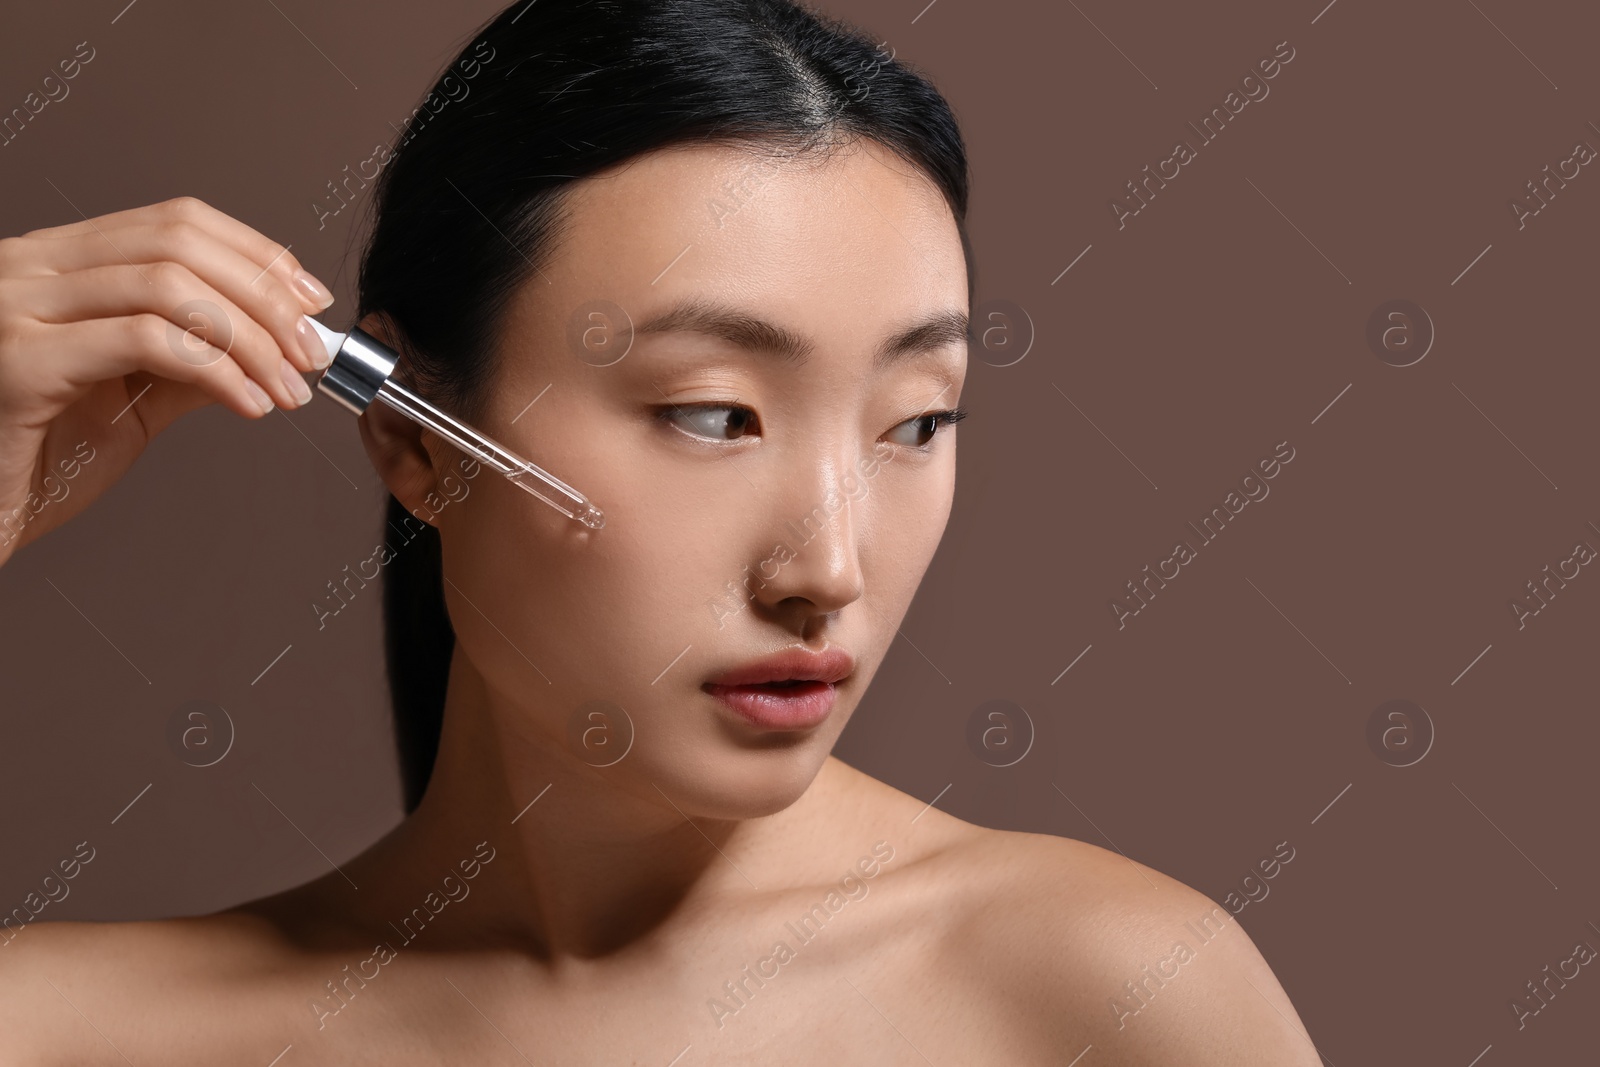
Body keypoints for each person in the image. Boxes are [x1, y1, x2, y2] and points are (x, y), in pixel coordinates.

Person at [0, 0, 1322, 1061]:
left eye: (919, 421)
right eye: (713, 415)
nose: (828, 571)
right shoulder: (71, 1033)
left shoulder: (1112, 1001)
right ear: (412, 434)